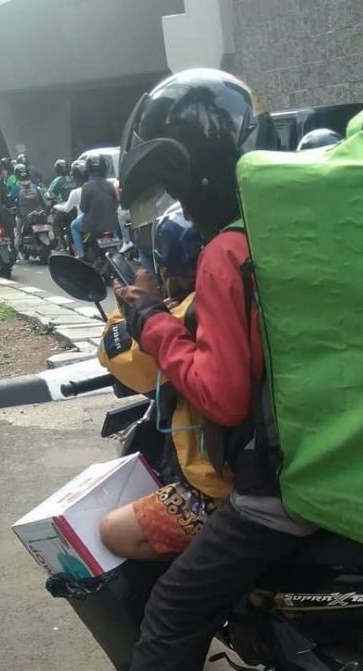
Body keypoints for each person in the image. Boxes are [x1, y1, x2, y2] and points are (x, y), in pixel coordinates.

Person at [20, 68, 314, 671]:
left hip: (274, 488)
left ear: (195, 166)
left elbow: (222, 394)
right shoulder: (296, 227)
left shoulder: (226, 253)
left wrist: (152, 319)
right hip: (329, 453)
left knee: (175, 608)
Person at [98, 206, 230, 562]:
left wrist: (132, 307)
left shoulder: (186, 313)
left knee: (113, 530)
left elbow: (125, 361)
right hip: (261, 473)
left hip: (218, 490)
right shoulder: (234, 292)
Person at [76, 153, 120, 258]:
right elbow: (115, 204)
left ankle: (81, 254)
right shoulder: (110, 185)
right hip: (111, 226)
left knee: (75, 226)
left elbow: (83, 208)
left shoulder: (86, 186)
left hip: (92, 228)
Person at [51, 160, 86, 254]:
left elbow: (51, 194)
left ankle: (62, 245)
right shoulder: (93, 186)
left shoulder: (58, 181)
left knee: (57, 224)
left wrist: (55, 206)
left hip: (67, 207)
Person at [13, 164, 48, 251]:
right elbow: (42, 200)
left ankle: (17, 247)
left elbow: (9, 199)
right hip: (39, 213)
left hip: (23, 216)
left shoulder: (16, 188)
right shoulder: (35, 187)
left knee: (18, 232)